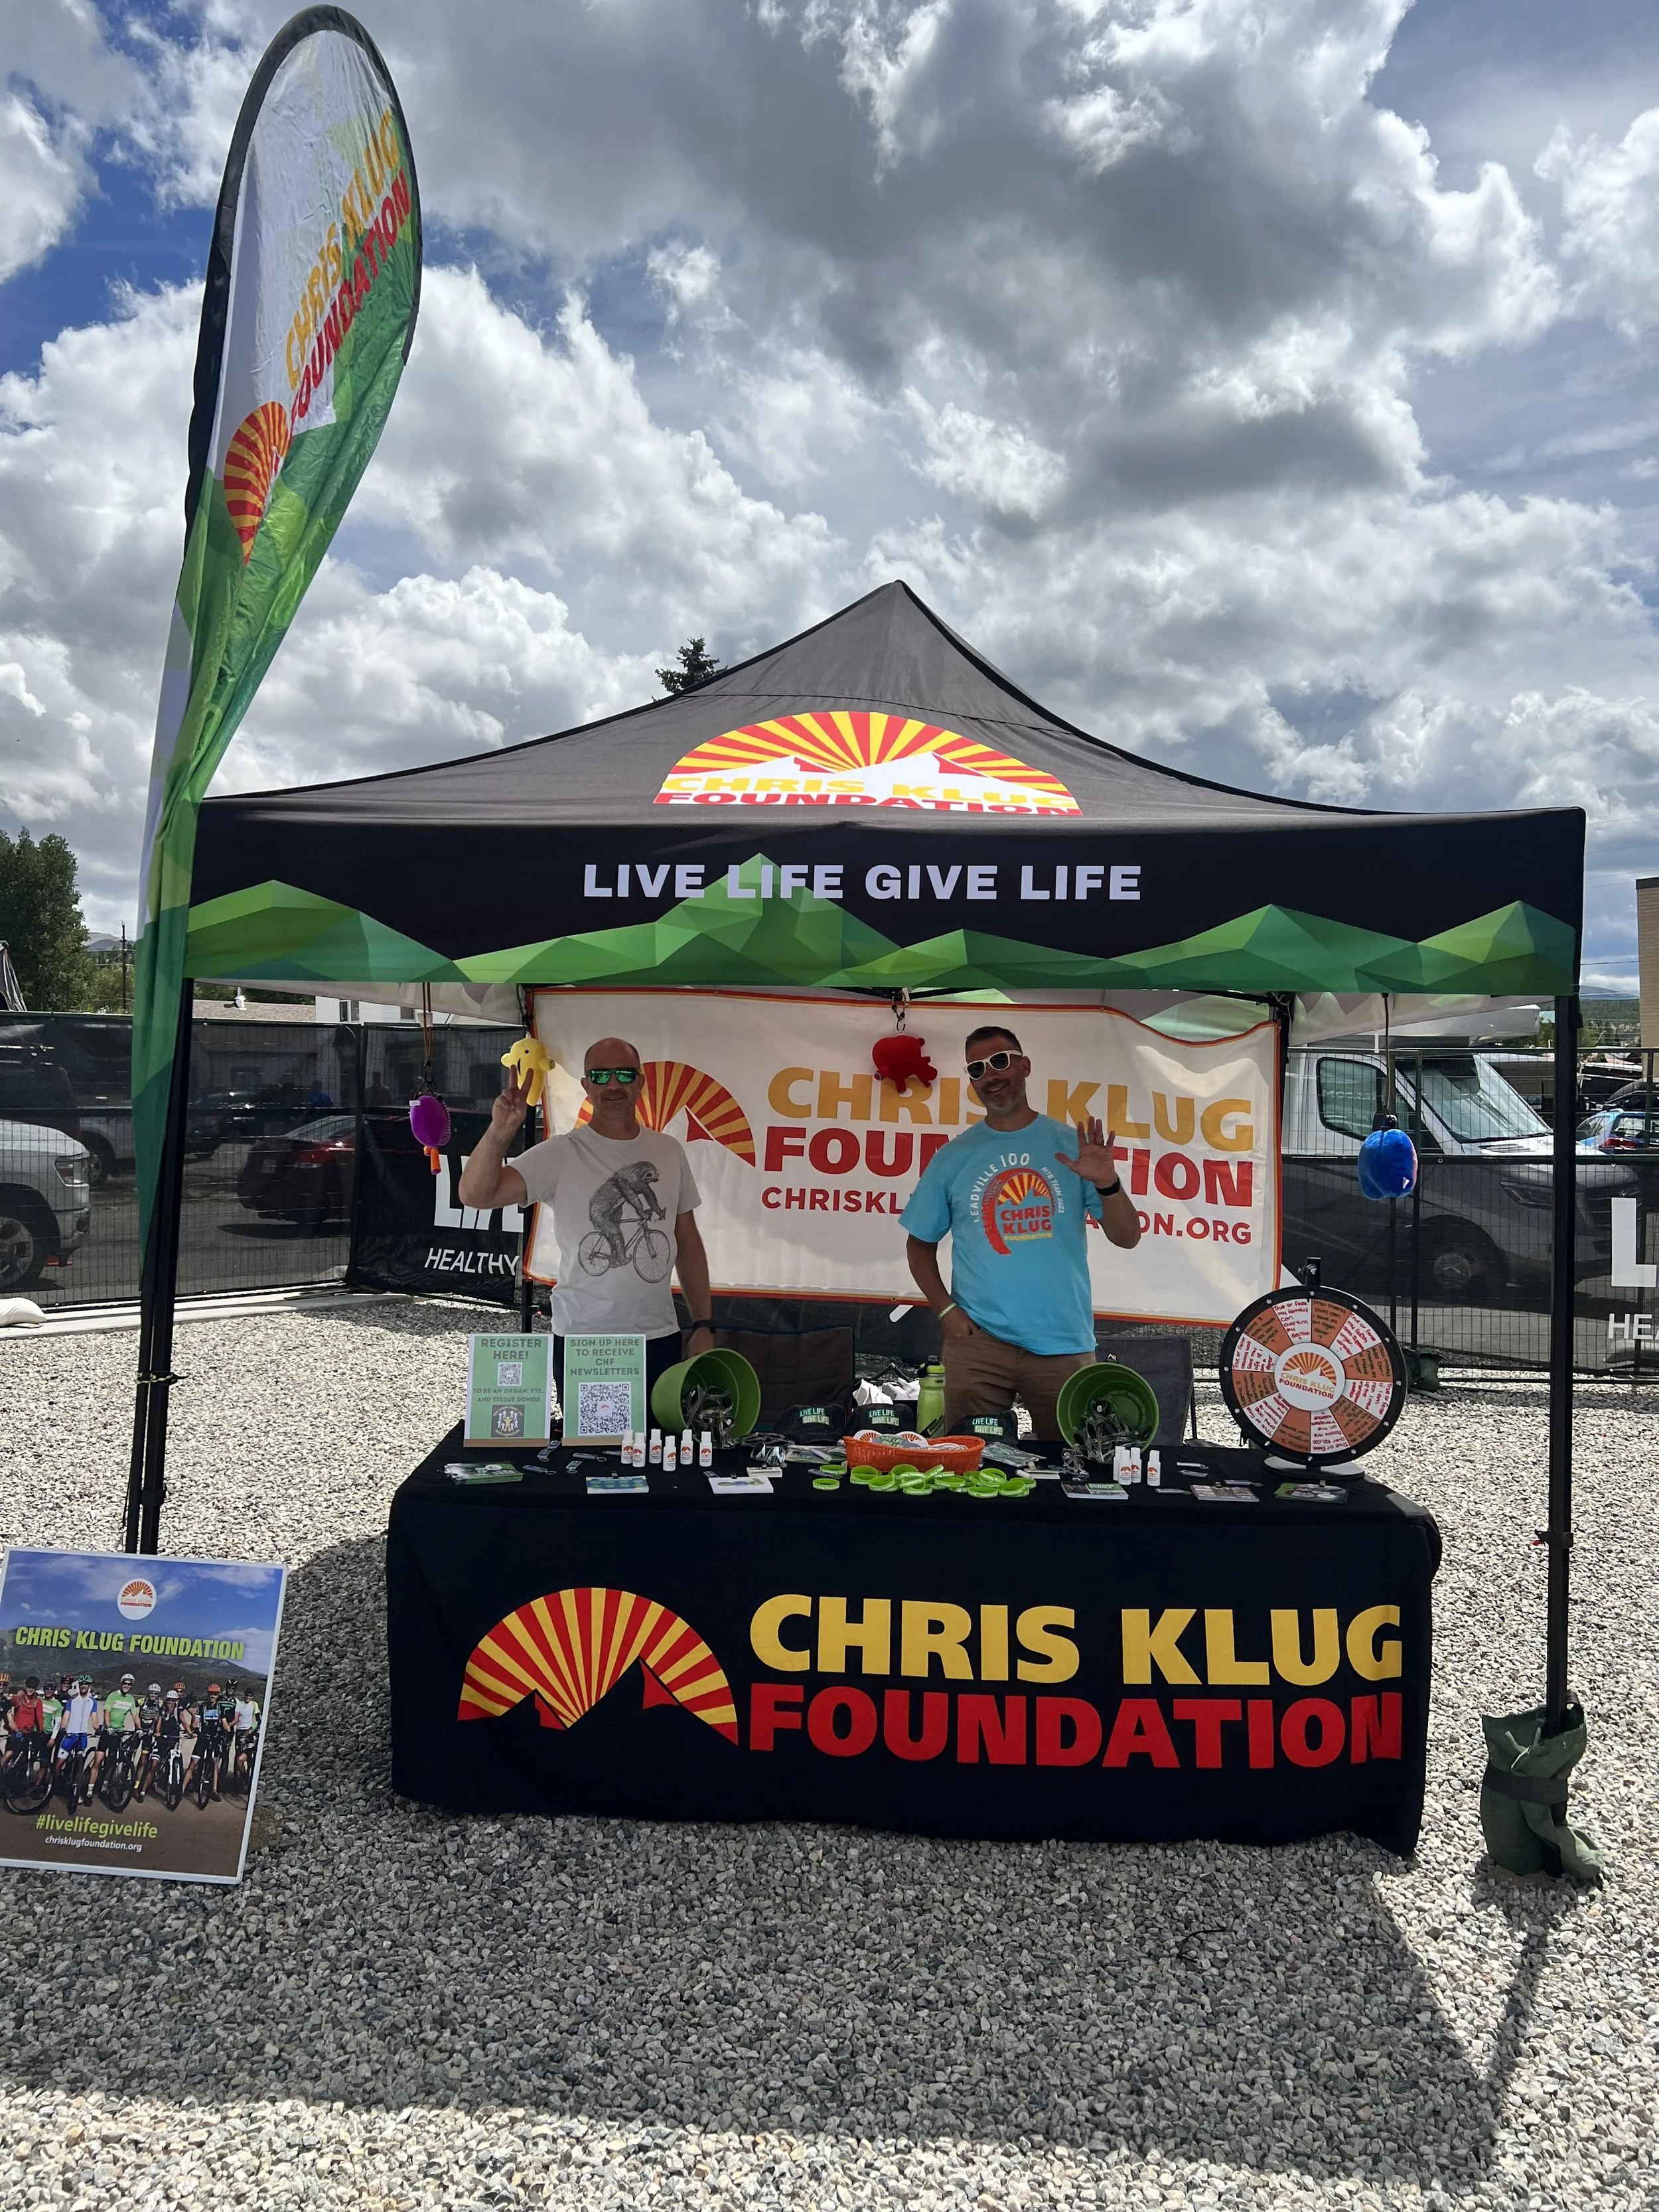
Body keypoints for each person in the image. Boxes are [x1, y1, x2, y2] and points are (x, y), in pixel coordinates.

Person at [903, 1023, 1141, 1441]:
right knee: (968, 1467)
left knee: (1073, 1468)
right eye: (977, 1069)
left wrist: (1106, 1180)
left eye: (1000, 1061)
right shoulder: (954, 1156)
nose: (990, 1076)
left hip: (1063, 1340)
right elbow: (919, 1244)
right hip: (978, 1343)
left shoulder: (1072, 1146)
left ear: (1024, 1065)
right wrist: (945, 1312)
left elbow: (1127, 1236)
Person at [459, 1035, 715, 1410]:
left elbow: (687, 1241)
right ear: (587, 1086)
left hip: (659, 1335)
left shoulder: (668, 1151)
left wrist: (704, 1324)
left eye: (625, 1074)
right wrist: (501, 1131)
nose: (613, 1084)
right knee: (593, 1457)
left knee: (658, 1457)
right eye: (601, 1075)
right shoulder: (563, 1152)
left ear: (641, 1082)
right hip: (588, 1341)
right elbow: (476, 1195)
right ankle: (613, 1251)